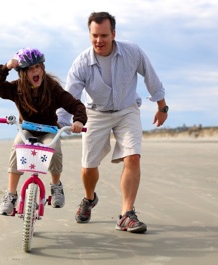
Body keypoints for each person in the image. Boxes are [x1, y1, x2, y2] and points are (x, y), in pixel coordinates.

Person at [57, 12, 169, 233]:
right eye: (94, 35)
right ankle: (89, 199)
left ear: (114, 34)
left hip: (127, 110)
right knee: (88, 166)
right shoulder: (81, 63)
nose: (99, 40)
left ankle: (126, 214)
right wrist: (61, 122)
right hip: (95, 113)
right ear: (89, 35)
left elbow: (151, 77)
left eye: (104, 35)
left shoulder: (132, 52)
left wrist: (162, 106)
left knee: (133, 156)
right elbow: (69, 96)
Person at [0, 48, 87, 216]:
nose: (35, 71)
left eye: (38, 67)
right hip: (27, 129)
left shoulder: (52, 88)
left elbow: (76, 105)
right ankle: (11, 194)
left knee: (53, 146)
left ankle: (56, 186)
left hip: (49, 131)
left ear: (42, 68)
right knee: (18, 145)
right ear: (22, 73)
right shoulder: (17, 88)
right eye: (29, 69)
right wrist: (6, 67)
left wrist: (78, 120)